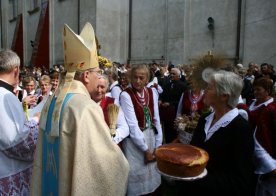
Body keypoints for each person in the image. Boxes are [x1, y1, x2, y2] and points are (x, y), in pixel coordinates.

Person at [30, 22, 129, 196]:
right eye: (97, 73)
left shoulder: (51, 102)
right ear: (85, 75)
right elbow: (103, 166)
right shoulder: (85, 108)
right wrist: (123, 164)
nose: (99, 78)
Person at [176, 70, 256, 196]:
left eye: (209, 88)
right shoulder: (205, 118)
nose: (205, 90)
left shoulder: (241, 129)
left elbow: (240, 181)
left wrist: (197, 178)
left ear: (224, 95)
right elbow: (194, 151)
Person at [0, 49, 40, 195]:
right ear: (16, 70)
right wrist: (37, 120)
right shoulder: (5, 96)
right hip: (8, 173)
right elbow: (15, 143)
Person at [120, 64, 163, 195]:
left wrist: (158, 145)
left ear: (147, 79)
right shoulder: (126, 95)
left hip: (151, 135)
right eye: (135, 77)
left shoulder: (152, 92)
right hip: (135, 141)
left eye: (141, 78)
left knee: (152, 171)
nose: (137, 81)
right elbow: (133, 125)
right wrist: (145, 150)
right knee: (136, 170)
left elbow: (156, 119)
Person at [247, 77, 276, 196]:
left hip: (264, 149)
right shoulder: (253, 103)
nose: (255, 92)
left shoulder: (271, 109)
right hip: (250, 148)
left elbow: (266, 134)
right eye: (254, 90)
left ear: (267, 91)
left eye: (259, 90)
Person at [91, 74, 129, 144]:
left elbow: (124, 128)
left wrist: (110, 138)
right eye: (96, 87)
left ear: (107, 88)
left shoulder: (113, 102)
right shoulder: (86, 102)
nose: (99, 90)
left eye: (102, 87)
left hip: (110, 147)